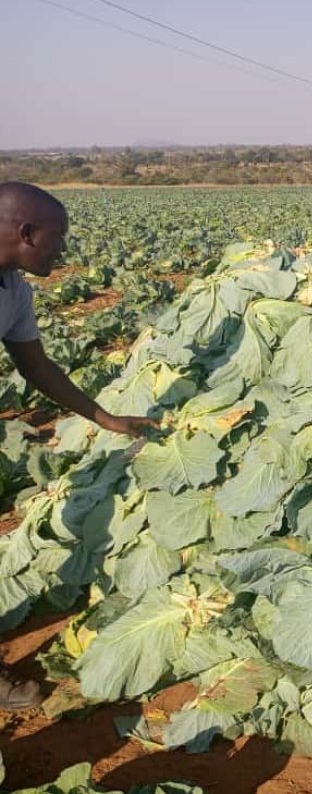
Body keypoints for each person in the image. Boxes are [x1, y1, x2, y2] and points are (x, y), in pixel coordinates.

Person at [0, 182, 157, 710]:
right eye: (57, 239)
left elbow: (36, 365)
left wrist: (105, 417)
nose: (63, 251)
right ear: (26, 233)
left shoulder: (13, 290)